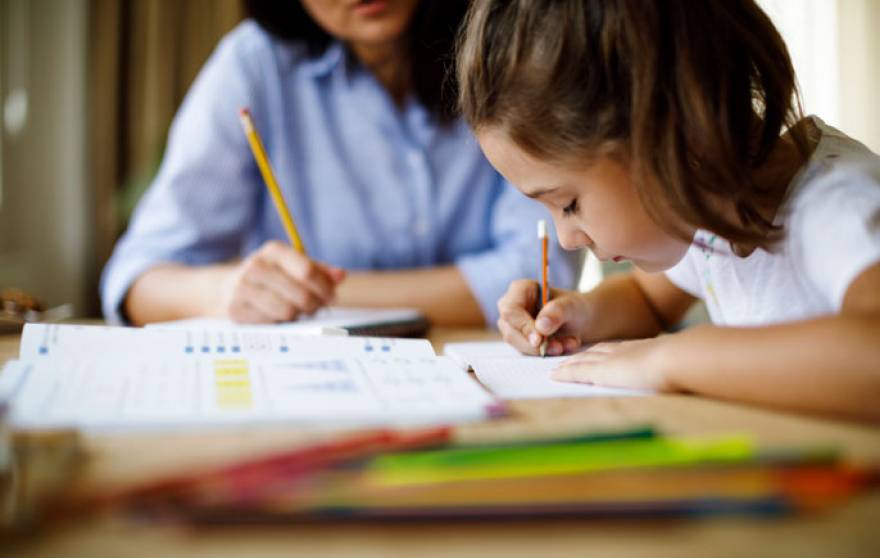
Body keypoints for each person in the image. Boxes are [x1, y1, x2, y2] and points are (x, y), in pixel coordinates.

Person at [457, 0, 880, 421]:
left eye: (569, 204)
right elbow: (647, 300)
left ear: (668, 131)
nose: (567, 238)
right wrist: (576, 315)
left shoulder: (839, 205)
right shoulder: (707, 212)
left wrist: (675, 358)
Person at [100, 0, 577, 327]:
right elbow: (136, 279)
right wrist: (225, 293)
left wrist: (317, 298)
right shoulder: (253, 65)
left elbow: (540, 272)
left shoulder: (507, 50)